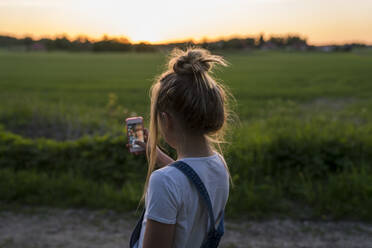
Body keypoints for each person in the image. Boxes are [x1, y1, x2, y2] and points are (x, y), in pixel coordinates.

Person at [129, 47, 234, 248]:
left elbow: (178, 182)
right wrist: (156, 153)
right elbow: (191, 179)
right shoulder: (219, 165)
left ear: (166, 121)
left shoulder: (163, 182)